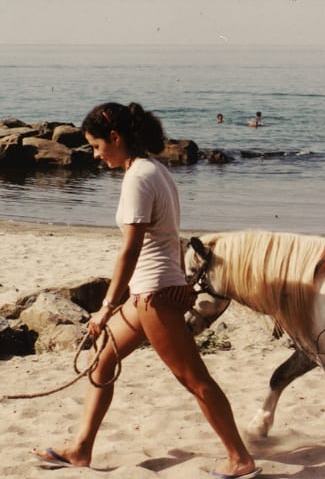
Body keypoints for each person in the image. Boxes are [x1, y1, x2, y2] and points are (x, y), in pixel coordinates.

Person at [31, 102, 261, 479]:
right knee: (102, 360)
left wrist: (106, 306)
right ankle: (81, 449)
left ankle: (240, 458)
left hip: (153, 295)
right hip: (149, 293)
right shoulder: (154, 170)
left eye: (95, 145)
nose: (94, 153)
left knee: (194, 379)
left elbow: (131, 249)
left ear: (116, 138)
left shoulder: (139, 177)